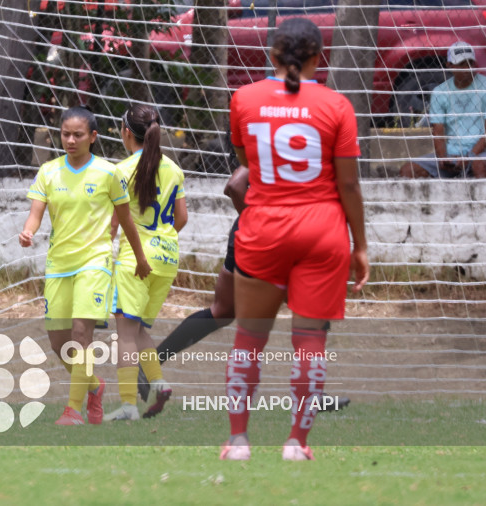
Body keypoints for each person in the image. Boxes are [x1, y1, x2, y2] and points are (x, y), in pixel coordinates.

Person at [221, 18, 368, 461]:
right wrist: (359, 245)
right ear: (318, 58)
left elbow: (248, 161)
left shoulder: (243, 99)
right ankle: (296, 444)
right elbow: (349, 186)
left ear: (270, 55)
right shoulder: (337, 105)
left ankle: (239, 441)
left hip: (263, 229)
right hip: (322, 232)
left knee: (248, 337)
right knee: (309, 341)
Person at [137, 165, 351, 415]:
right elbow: (235, 185)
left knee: (222, 312)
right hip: (273, 237)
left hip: (254, 234)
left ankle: (151, 362)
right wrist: (263, 225)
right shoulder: (274, 146)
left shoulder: (286, 146)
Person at [19, 106, 152, 425]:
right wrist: (28, 231)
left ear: (93, 137)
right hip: (58, 265)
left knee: (81, 333)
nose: (70, 140)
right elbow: (36, 212)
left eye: (78, 135)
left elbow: (125, 219)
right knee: (58, 341)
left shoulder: (109, 173)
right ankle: (94, 386)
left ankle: (72, 410)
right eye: (65, 134)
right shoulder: (48, 172)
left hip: (96, 263)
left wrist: (140, 257)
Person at [103, 104, 187, 422]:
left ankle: (128, 406)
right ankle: (159, 383)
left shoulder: (121, 171)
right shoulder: (174, 170)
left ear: (126, 133)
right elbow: (182, 218)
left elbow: (119, 224)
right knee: (138, 331)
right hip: (168, 258)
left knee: (124, 334)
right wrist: (160, 241)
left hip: (136, 260)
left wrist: (138, 254)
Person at [400, 42, 486, 179]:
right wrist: (442, 158)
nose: (466, 68)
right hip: (452, 154)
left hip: (481, 153)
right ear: (449, 65)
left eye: (470, 63)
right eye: (461, 64)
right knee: (408, 170)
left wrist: (470, 156)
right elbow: (438, 131)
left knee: (479, 165)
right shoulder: (440, 92)